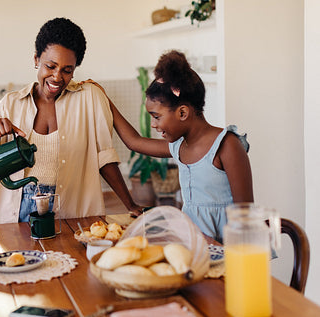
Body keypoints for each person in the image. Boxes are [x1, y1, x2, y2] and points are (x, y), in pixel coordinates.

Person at [0, 17, 142, 225]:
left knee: (70, 257)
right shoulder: (10, 104)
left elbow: (105, 158)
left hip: (69, 209)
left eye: (67, 70)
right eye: (50, 66)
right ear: (36, 59)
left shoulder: (89, 97)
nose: (56, 77)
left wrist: (130, 204)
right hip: (15, 212)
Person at [95, 50, 253, 243]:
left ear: (183, 113)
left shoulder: (227, 145)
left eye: (156, 117)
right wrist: (105, 100)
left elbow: (245, 217)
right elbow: (134, 142)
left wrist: (213, 245)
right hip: (193, 245)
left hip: (229, 249)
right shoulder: (180, 146)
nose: (153, 124)